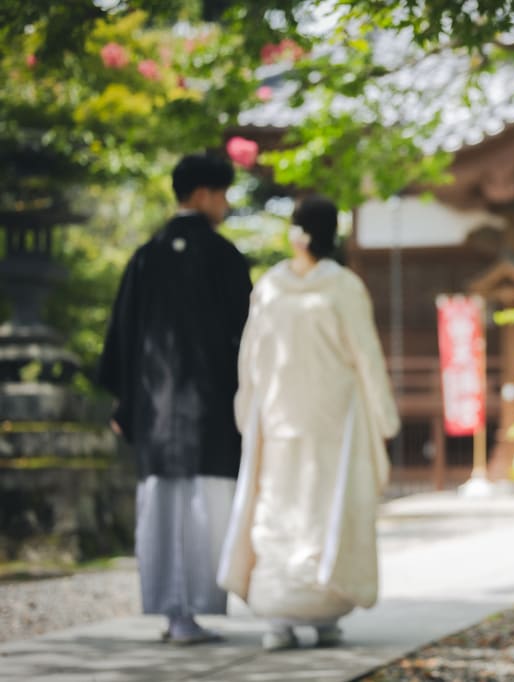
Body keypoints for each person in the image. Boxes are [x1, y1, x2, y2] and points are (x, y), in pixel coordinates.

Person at [218, 195, 399, 651]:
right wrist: (384, 416)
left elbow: (251, 357)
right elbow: (366, 355)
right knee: (321, 509)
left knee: (280, 507)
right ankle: (320, 610)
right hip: (328, 417)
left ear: (296, 232)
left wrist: (246, 406)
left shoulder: (271, 286)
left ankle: (282, 613)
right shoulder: (342, 285)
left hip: (283, 413)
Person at [97, 153, 252, 645]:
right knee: (205, 508)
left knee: (162, 511)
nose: (225, 204)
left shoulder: (147, 256)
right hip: (210, 413)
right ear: (204, 193)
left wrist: (125, 405)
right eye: (223, 194)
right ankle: (195, 612)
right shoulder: (225, 257)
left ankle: (172, 614)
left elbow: (122, 336)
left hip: (157, 416)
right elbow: (246, 339)